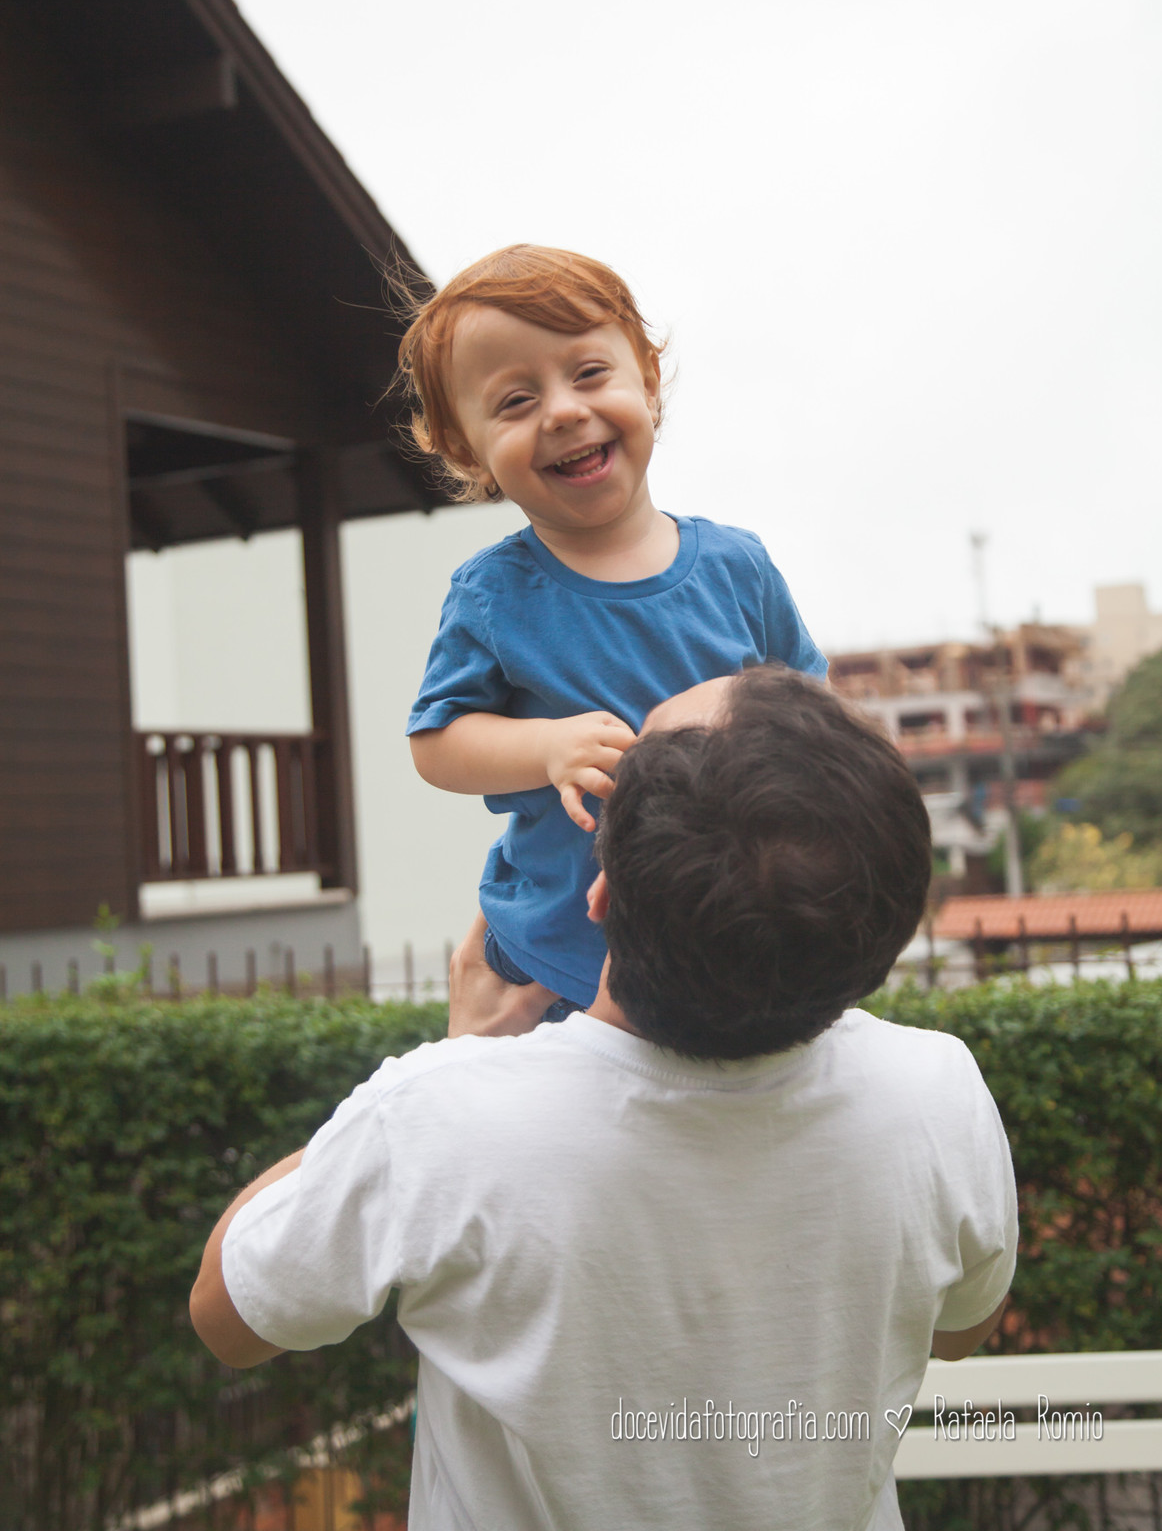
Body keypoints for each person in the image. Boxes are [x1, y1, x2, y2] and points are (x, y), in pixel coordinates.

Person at [191, 668, 1018, 1531]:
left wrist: (456, 1055)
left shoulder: (441, 1117)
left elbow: (227, 1315)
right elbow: (958, 1330)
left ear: (599, 898)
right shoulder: (933, 1092)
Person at [396, 243, 826, 1023]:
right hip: (555, 961)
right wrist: (544, 749)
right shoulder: (492, 593)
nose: (561, 410)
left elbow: (812, 717)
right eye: (514, 401)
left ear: (648, 383)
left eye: (588, 373)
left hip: (726, 936)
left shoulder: (738, 567)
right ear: (467, 449)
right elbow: (436, 743)